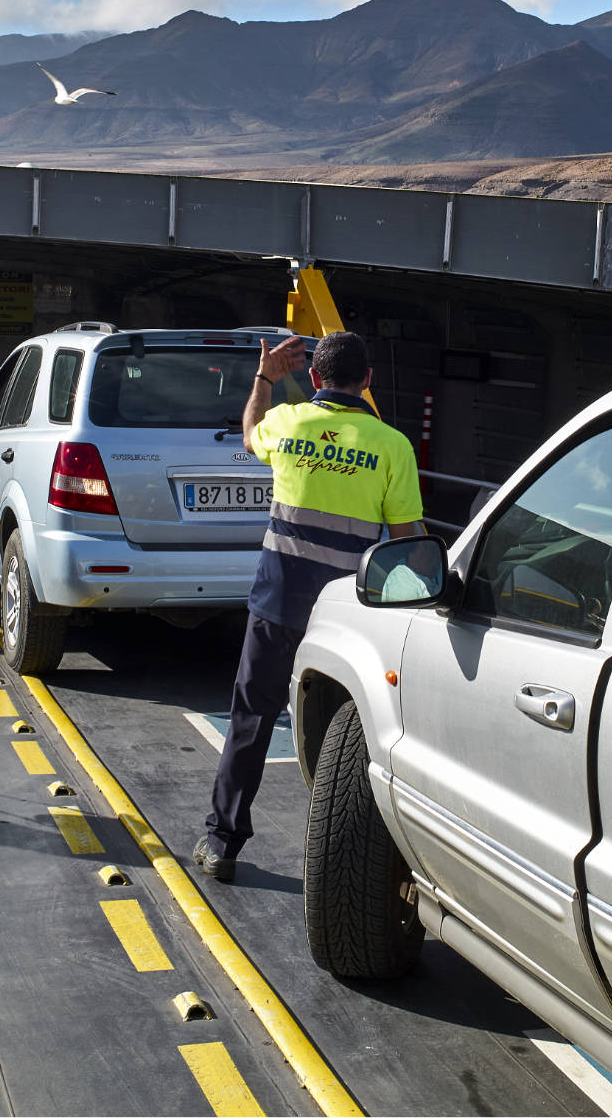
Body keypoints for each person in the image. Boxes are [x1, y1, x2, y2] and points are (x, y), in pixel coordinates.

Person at [195, 331, 424, 882]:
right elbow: (408, 541)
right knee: (346, 737)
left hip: (278, 601)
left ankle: (223, 840)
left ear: (317, 380)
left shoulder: (290, 422)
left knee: (251, 717)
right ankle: (338, 860)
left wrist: (266, 378)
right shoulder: (392, 446)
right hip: (347, 619)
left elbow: (249, 432)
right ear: (368, 381)